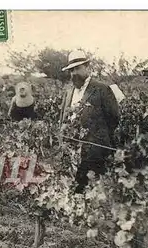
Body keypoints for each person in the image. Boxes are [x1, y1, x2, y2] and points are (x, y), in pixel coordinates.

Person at [59, 50, 120, 193]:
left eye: (77, 68)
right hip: (72, 146)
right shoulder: (69, 92)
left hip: (94, 147)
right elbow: (63, 116)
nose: (74, 73)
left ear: (87, 67)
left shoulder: (101, 89)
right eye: (71, 70)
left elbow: (114, 117)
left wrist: (98, 136)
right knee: (73, 183)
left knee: (88, 187)